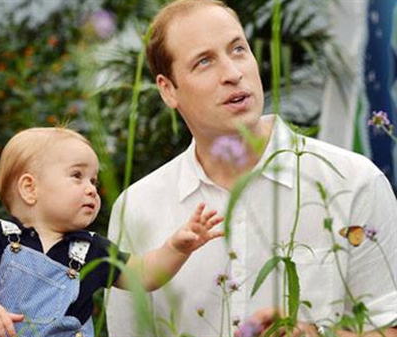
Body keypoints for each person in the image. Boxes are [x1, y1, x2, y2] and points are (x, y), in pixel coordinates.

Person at [106, 0, 397, 336]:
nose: (232, 73)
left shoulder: (353, 181)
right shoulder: (137, 208)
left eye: (239, 49)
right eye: (204, 61)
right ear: (168, 89)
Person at [0, 127, 225, 337]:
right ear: (30, 189)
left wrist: (176, 248)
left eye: (93, 180)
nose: (91, 188)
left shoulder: (92, 249)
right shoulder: (2, 237)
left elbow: (144, 275)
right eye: (77, 176)